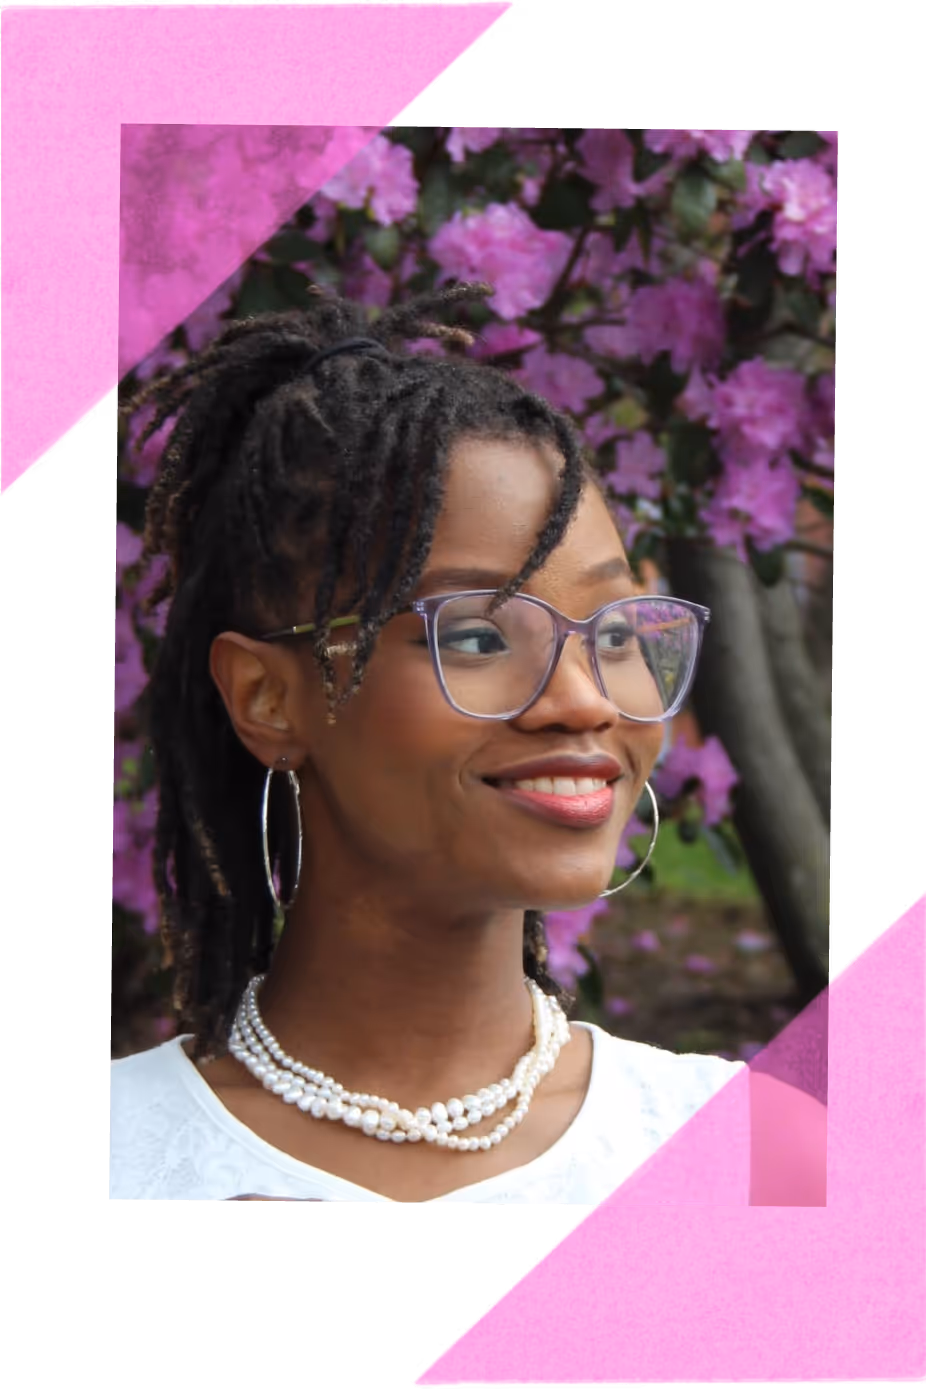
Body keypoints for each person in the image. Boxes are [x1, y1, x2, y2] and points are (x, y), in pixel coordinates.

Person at [110, 282, 825, 1203]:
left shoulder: (764, 1163)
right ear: (268, 697)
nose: (583, 702)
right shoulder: (132, 1159)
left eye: (615, 633)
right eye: (479, 636)